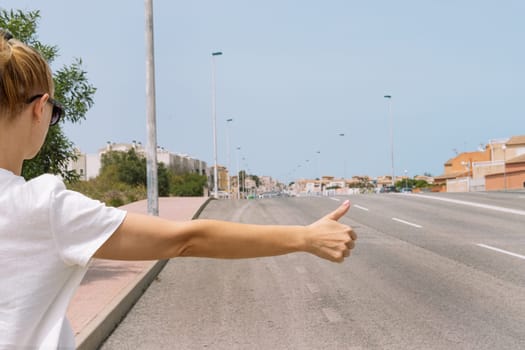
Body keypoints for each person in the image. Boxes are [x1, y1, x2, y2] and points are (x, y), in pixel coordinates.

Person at [0, 29, 357, 349]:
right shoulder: (42, 208)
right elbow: (185, 239)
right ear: (40, 108)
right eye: (55, 112)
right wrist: (306, 238)